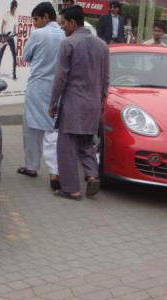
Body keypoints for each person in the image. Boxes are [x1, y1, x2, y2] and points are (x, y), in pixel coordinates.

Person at [49, 5, 109, 200]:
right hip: (93, 104)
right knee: (86, 143)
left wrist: (53, 103)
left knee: (66, 146)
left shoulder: (68, 43)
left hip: (73, 103)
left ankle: (71, 189)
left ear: (73, 23)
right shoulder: (102, 45)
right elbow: (106, 79)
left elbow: (60, 78)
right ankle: (92, 176)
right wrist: (101, 103)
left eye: (64, 23)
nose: (62, 27)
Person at [19, 2, 65, 191]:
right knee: (52, 130)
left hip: (38, 86)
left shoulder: (39, 34)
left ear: (46, 17)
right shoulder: (64, 34)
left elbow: (26, 57)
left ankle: (31, 166)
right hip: (58, 88)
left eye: (36, 19)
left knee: (31, 127)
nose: (35, 23)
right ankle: (55, 171)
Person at [0, 1, 18, 80]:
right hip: (5, 36)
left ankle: (14, 74)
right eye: (14, 7)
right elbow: (2, 25)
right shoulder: (7, 14)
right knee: (1, 54)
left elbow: (14, 29)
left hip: (11, 37)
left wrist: (15, 33)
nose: (15, 9)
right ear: (12, 6)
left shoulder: (15, 16)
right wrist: (2, 36)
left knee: (14, 56)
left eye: (16, 7)